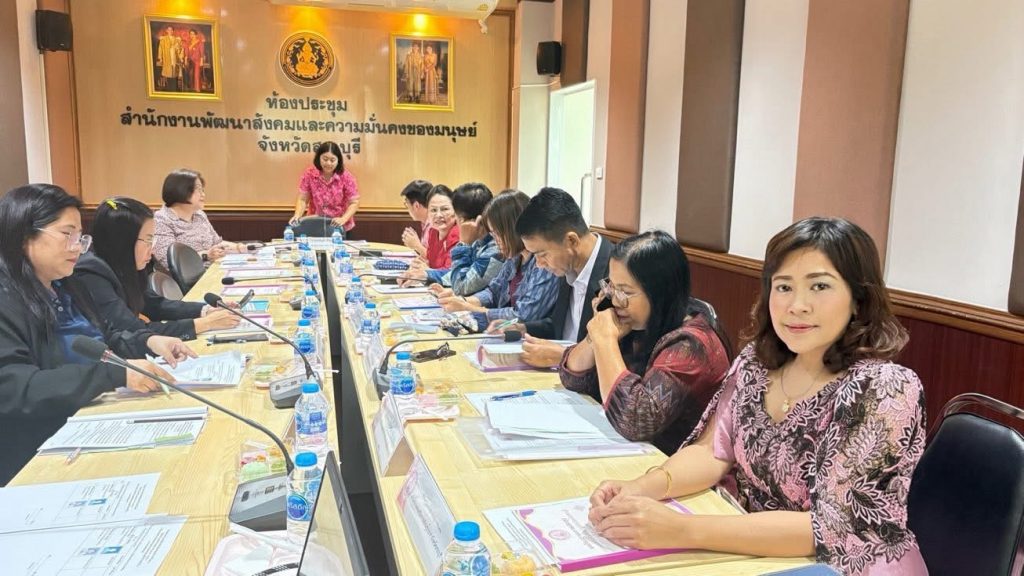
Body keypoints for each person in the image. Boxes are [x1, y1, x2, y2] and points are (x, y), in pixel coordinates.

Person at [588, 218, 927, 575]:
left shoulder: (885, 388)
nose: (797, 305)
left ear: (858, 299)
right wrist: (640, 488)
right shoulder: (756, 363)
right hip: (755, 551)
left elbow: (828, 528)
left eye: (820, 286)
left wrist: (679, 529)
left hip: (844, 567)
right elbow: (712, 451)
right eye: (784, 287)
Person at [0, 185, 195, 486]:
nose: (77, 248)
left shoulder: (66, 284)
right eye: (67, 235)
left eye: (80, 237)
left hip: (93, 417)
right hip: (40, 454)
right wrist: (113, 375)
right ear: (25, 235)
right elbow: (17, 389)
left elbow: (104, 339)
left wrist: (148, 341)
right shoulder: (7, 299)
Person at [559, 230, 730, 454]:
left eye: (625, 292)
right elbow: (572, 378)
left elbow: (635, 420)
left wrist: (605, 340)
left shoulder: (691, 345)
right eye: (611, 287)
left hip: (673, 464)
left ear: (660, 292)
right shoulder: (637, 324)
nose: (615, 300)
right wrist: (595, 336)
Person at [74, 197, 241, 341]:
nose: (152, 249)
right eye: (147, 240)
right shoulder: (91, 275)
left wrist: (205, 310)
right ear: (123, 242)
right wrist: (204, 324)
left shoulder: (125, 264)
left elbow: (155, 304)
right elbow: (133, 330)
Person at [503, 187, 613, 368]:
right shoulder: (566, 264)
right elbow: (561, 326)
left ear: (571, 241)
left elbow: (616, 350)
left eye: (542, 254)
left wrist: (564, 356)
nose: (539, 264)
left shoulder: (614, 274)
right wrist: (524, 329)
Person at [434, 190, 560, 330]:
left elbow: (523, 316)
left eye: (498, 234)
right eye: (493, 234)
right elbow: (493, 291)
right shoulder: (514, 257)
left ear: (513, 229)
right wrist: (464, 301)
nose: (496, 241)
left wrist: (469, 307)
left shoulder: (543, 263)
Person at [404, 182, 504, 296]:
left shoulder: (494, 250)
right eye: (433, 210)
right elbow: (454, 273)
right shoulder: (478, 242)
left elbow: (460, 286)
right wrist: (425, 275)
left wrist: (463, 244)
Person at [152, 169, 248, 267]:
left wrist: (239, 248)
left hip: (212, 269)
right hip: (187, 276)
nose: (203, 194)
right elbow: (168, 259)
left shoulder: (200, 215)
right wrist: (206, 255)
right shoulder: (161, 220)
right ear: (180, 190)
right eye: (198, 189)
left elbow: (216, 243)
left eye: (202, 190)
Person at [289, 142, 360, 234]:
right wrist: (297, 215)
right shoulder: (309, 174)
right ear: (319, 158)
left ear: (338, 160)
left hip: (339, 226)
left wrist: (343, 219)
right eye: (325, 159)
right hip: (315, 224)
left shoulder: (346, 177)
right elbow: (303, 199)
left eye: (332, 160)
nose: (328, 163)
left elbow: (354, 202)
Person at [422, 185, 460, 270]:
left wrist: (426, 270)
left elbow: (450, 272)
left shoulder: (458, 235)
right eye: (433, 210)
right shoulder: (433, 232)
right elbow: (431, 264)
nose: (438, 215)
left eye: (445, 209)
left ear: (455, 211)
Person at [399, 179, 433, 259]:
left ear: (416, 205)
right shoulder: (425, 222)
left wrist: (416, 245)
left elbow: (436, 261)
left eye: (406, 204)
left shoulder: (435, 224)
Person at [156, 25, 182, 90]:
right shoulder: (163, 39)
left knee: (174, 72)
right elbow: (160, 49)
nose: (170, 31)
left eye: (171, 30)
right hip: (167, 57)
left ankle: (175, 88)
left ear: (173, 31)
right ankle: (169, 88)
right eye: (169, 30)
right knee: (168, 73)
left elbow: (179, 49)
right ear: (166, 31)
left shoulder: (176, 39)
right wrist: (160, 57)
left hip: (174, 57)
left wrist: (180, 56)